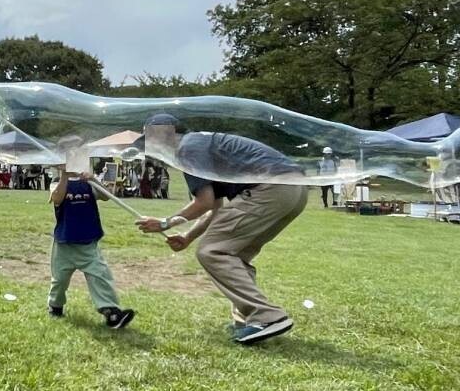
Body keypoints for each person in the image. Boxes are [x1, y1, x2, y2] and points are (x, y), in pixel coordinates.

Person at [135, 114, 308, 346]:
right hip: (294, 190)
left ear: (161, 135)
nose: (150, 149)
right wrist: (188, 237)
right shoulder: (199, 143)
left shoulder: (187, 150)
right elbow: (215, 207)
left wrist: (165, 223)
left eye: (149, 141)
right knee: (236, 253)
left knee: (211, 252)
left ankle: (268, 316)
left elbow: (203, 202)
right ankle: (246, 320)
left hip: (270, 187)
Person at [48, 160, 135, 328]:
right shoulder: (56, 183)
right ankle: (55, 305)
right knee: (59, 280)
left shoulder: (88, 183)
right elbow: (57, 198)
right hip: (64, 243)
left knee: (100, 276)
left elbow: (107, 196)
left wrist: (93, 179)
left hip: (88, 243)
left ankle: (111, 312)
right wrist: (64, 176)